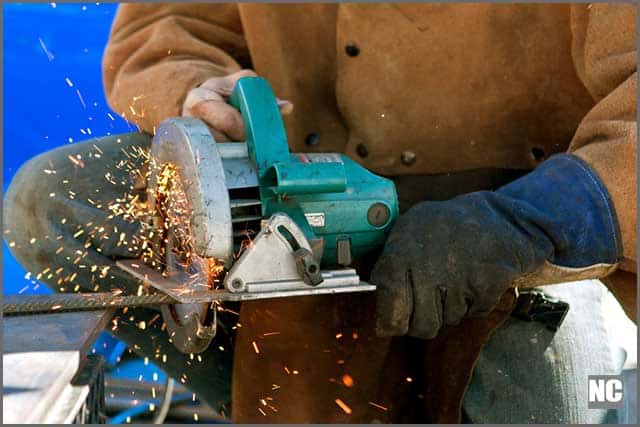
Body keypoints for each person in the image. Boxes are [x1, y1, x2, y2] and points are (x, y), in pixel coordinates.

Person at [4, 3, 636, 423]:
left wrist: (531, 220)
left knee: (564, 399)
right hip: (295, 197)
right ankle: (281, 395)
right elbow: (169, 23)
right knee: (53, 201)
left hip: (527, 226)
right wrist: (195, 90)